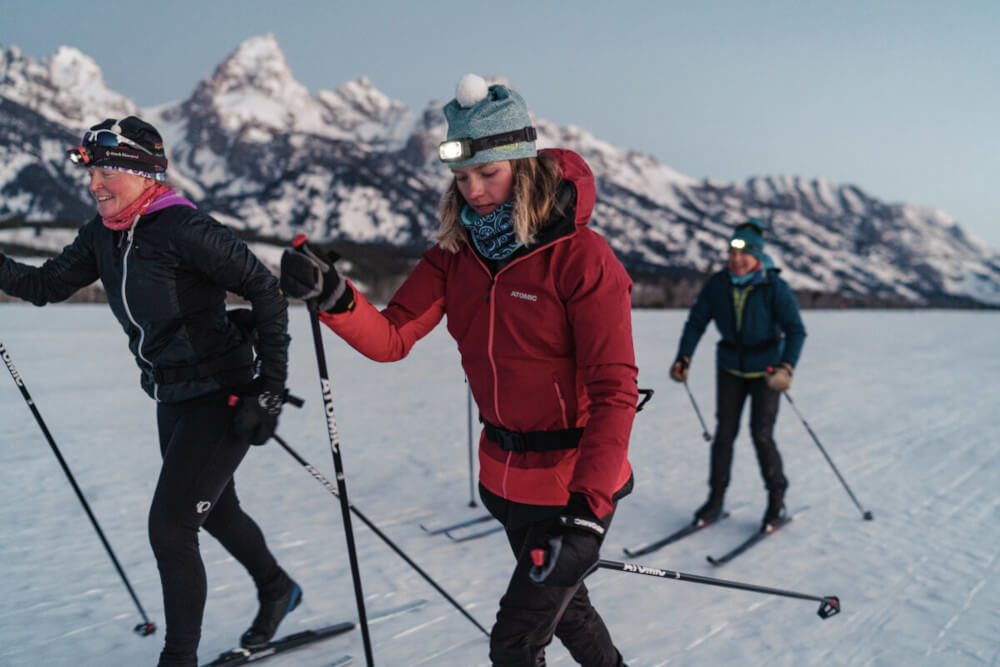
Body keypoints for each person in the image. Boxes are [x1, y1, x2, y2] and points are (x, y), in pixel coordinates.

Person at [281, 74, 638, 667]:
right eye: (460, 176)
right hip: (503, 478)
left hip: (570, 484)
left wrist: (587, 514)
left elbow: (614, 391)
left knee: (515, 642)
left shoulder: (581, 257)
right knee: (567, 610)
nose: (472, 190)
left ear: (523, 165)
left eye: (487, 173)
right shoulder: (456, 255)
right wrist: (334, 296)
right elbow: (393, 336)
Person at [0, 117, 302, 666]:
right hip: (173, 397)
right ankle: (279, 588)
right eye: (91, 170)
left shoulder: (184, 228)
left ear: (143, 174)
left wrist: (270, 390)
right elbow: (45, 285)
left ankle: (178, 658)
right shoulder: (103, 234)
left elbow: (266, 290)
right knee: (216, 510)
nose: (95, 183)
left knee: (171, 527)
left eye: (108, 170)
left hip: (223, 393)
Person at [669, 219, 806, 532]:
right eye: (731, 252)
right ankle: (715, 500)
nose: (736, 259)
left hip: (767, 371)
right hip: (729, 367)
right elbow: (696, 322)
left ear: (757, 256)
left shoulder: (774, 286)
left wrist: (787, 367)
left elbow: (796, 331)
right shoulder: (718, 284)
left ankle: (776, 500)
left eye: (743, 254)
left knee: (761, 434)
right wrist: (684, 356)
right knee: (724, 435)